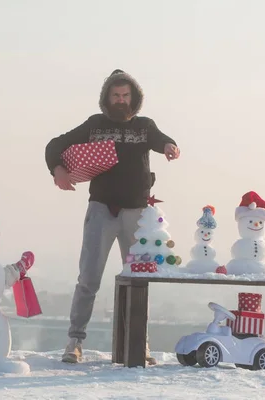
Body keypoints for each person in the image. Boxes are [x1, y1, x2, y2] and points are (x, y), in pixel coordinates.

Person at [45, 69, 180, 364]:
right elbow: (56, 144)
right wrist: (58, 170)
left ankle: (138, 345)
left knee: (137, 281)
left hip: (137, 214)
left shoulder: (144, 126)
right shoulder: (95, 125)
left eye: (125, 96)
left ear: (134, 98)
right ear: (107, 98)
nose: (120, 101)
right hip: (102, 210)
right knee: (89, 278)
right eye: (115, 96)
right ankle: (74, 342)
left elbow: (160, 139)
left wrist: (169, 146)